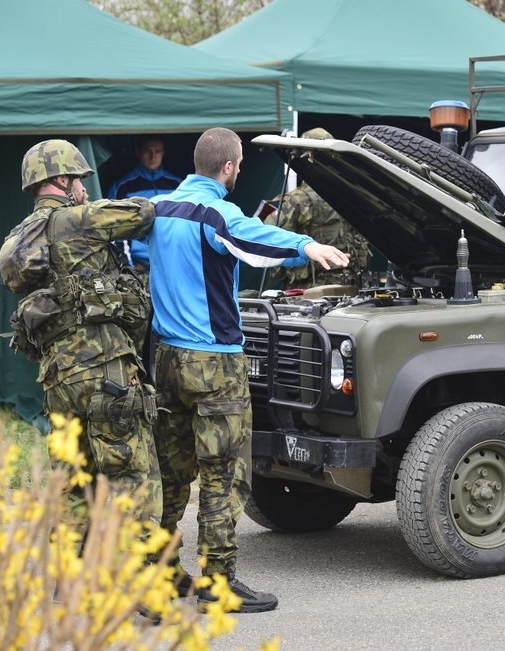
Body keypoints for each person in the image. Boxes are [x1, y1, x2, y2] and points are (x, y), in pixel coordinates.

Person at [146, 128, 349, 613]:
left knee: (172, 474)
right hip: (213, 362)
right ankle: (218, 584)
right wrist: (306, 247)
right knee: (223, 473)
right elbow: (251, 239)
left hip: (165, 359)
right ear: (230, 168)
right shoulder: (214, 212)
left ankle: (162, 573)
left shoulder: (159, 207)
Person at [7, 139, 161, 531]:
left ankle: (69, 582)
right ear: (61, 178)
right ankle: (136, 581)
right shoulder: (80, 219)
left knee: (72, 484)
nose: (83, 188)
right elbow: (143, 213)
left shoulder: (23, 234)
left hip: (58, 378)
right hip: (105, 370)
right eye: (78, 179)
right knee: (131, 477)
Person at [270, 128, 370, 288]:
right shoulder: (353, 195)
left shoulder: (298, 199)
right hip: (352, 288)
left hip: (309, 294)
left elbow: (273, 245)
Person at [108, 135, 182, 267]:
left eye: (157, 151)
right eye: (147, 151)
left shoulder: (177, 186)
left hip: (174, 263)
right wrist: (127, 267)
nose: (153, 156)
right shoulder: (122, 187)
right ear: (138, 152)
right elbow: (116, 230)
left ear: (163, 153)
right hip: (138, 266)